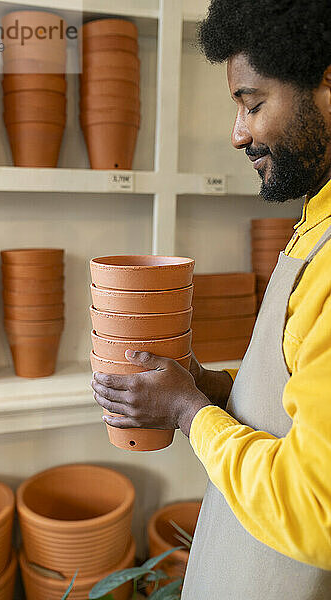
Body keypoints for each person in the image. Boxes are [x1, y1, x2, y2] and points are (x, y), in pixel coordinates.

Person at [91, 1, 331, 597]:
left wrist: (186, 412)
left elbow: (315, 511)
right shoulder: (317, 220)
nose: (238, 133)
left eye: (253, 104)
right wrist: (211, 388)